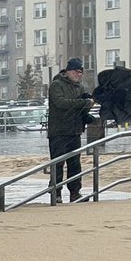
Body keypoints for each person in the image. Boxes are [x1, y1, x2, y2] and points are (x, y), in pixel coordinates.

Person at [47, 58, 94, 203]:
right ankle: (56, 192)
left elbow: (78, 109)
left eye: (80, 72)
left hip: (75, 131)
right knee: (58, 163)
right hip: (59, 131)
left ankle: (75, 192)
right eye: (76, 71)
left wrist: (87, 115)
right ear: (68, 71)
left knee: (75, 164)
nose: (78, 74)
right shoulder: (56, 85)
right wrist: (83, 102)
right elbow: (61, 103)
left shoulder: (79, 88)